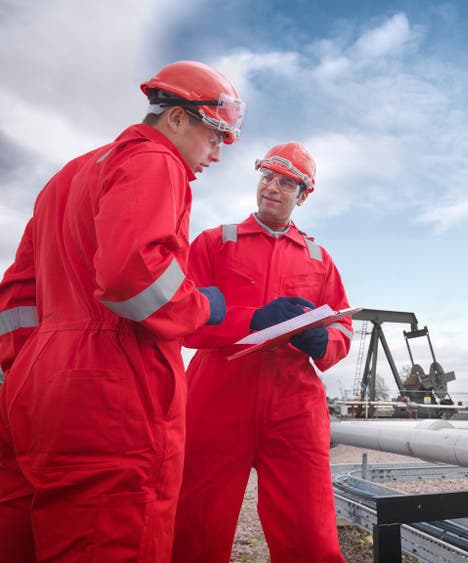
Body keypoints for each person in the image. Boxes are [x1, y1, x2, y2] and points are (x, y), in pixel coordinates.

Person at [0, 60, 245, 562]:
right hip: (111, 392)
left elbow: (17, 298)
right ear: (177, 118)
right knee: (113, 537)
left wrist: (37, 366)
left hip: (35, 387)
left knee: (23, 534)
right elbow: (133, 278)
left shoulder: (65, 179)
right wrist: (202, 307)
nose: (217, 154)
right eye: (215, 136)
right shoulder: (155, 160)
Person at [171, 141, 353, 563]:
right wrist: (250, 320)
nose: (272, 187)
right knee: (194, 523)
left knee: (310, 533)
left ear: (303, 196)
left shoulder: (318, 259)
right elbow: (184, 317)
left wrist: (325, 342)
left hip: (293, 408)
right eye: (267, 177)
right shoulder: (215, 243)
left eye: (286, 183)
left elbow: (342, 323)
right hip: (217, 399)